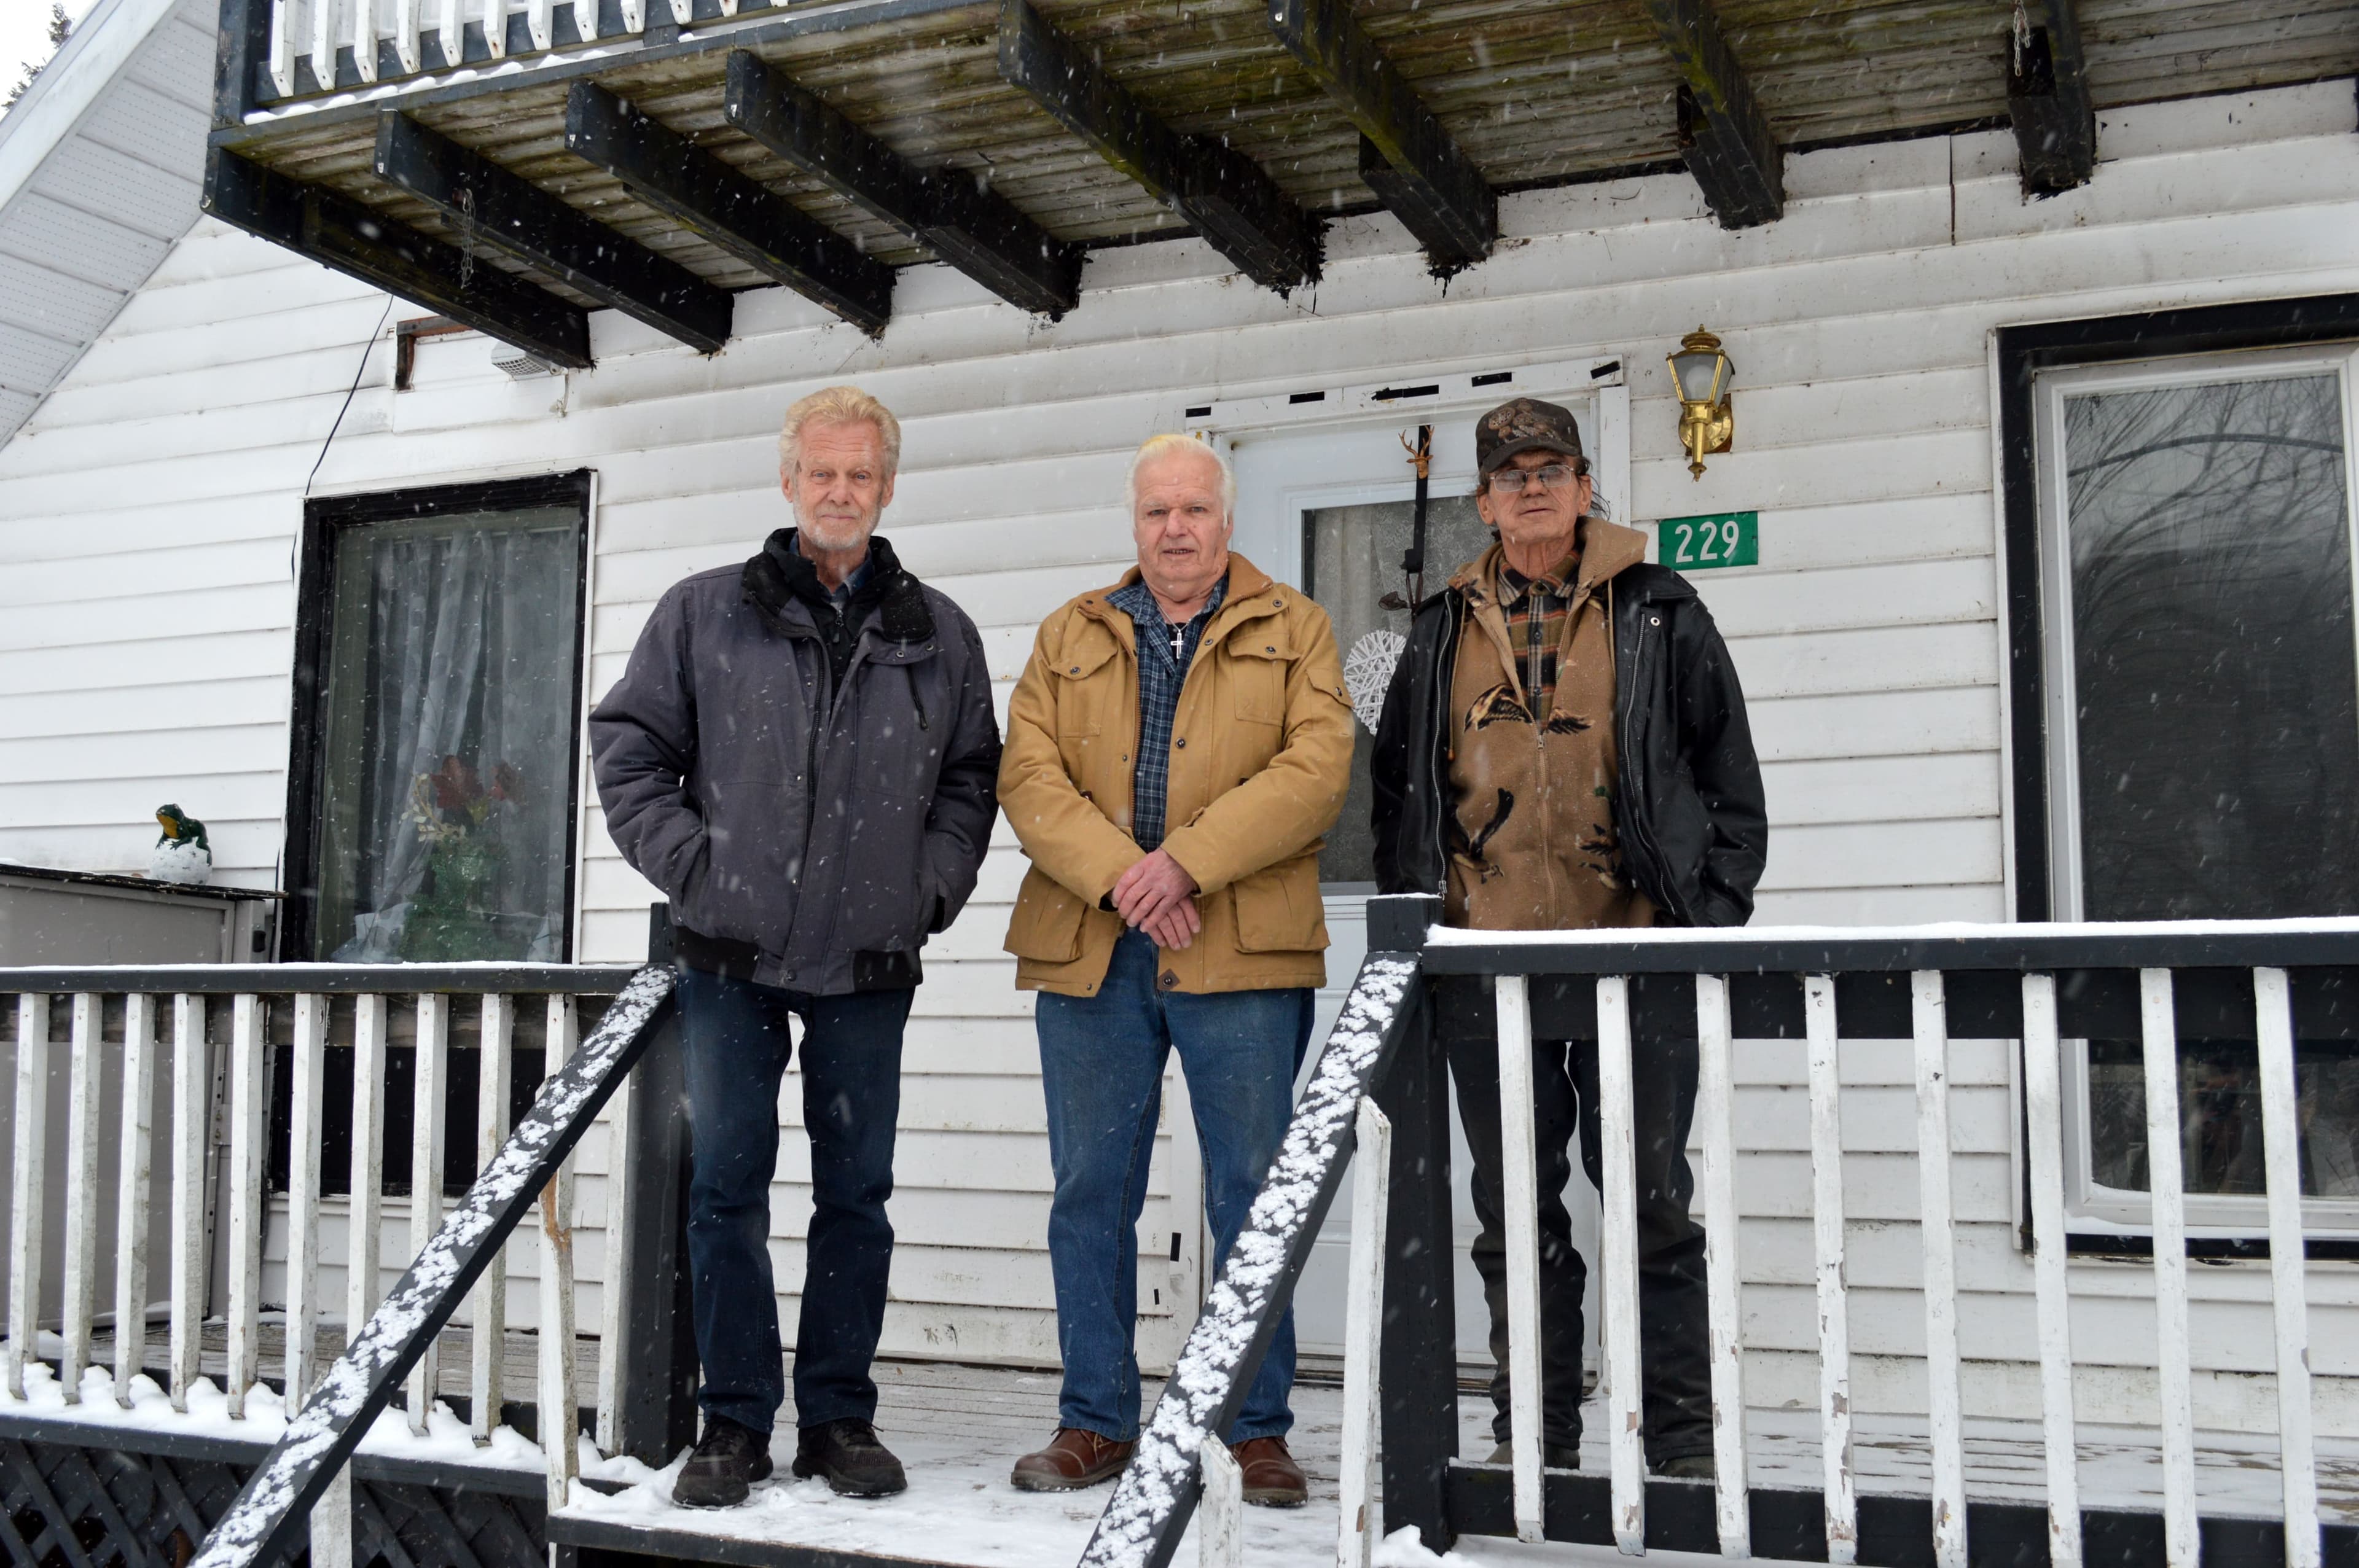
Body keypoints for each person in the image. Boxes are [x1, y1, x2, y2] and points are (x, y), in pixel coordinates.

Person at [589, 386, 1001, 1507]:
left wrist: (926, 888)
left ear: (887, 485)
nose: (840, 490)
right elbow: (628, 751)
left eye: (860, 473)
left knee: (855, 1195)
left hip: (867, 964)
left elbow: (972, 778)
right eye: (821, 471)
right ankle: (732, 1422)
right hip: (729, 957)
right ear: (788, 480)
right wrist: (698, 869)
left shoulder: (936, 631)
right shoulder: (703, 613)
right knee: (725, 1189)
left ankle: (837, 1418)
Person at [1371, 396, 1766, 1478]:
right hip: (1487, 971)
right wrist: (1424, 921)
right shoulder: (1440, 625)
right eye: (1512, 473)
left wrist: (1704, 922)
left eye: (1554, 468)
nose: (1533, 486)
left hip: (1636, 959)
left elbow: (1731, 781)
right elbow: (1399, 791)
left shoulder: (1661, 608)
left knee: (1650, 1205)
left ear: (1587, 487)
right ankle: (1533, 1437)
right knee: (1515, 1215)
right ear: (1486, 502)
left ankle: (1679, 1442)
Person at [997, 433, 1355, 1506]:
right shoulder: (1070, 633)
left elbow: (1316, 770)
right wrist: (1127, 879)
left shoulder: (1298, 629)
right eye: (1157, 511)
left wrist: (1186, 861)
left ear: (1228, 520)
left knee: (1256, 1191)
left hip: (1242, 947)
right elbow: (1029, 775)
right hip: (1095, 948)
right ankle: (1095, 1420)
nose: (1176, 528)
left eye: (1195, 508)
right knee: (1091, 1192)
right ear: (1135, 523)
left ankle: (1255, 1429)